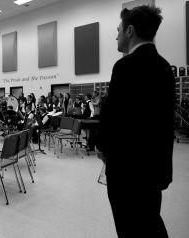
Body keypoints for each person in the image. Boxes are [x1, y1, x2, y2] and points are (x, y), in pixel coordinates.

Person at [97, 6, 175, 238]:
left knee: (129, 226)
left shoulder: (125, 66)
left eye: (119, 29)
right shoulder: (164, 67)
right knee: (150, 220)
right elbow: (164, 124)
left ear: (130, 30)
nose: (116, 35)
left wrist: (101, 147)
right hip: (154, 168)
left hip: (127, 170)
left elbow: (112, 115)